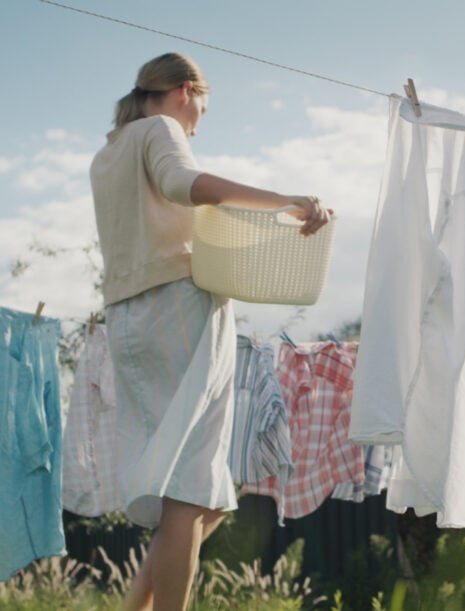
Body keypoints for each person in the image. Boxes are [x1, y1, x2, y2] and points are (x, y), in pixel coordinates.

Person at [89, 52, 331, 611]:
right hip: (179, 312)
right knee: (192, 492)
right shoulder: (161, 128)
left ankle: (134, 606)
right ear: (183, 90)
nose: (197, 119)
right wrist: (286, 202)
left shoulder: (109, 151)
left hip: (127, 321)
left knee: (207, 495)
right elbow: (181, 182)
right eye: (201, 105)